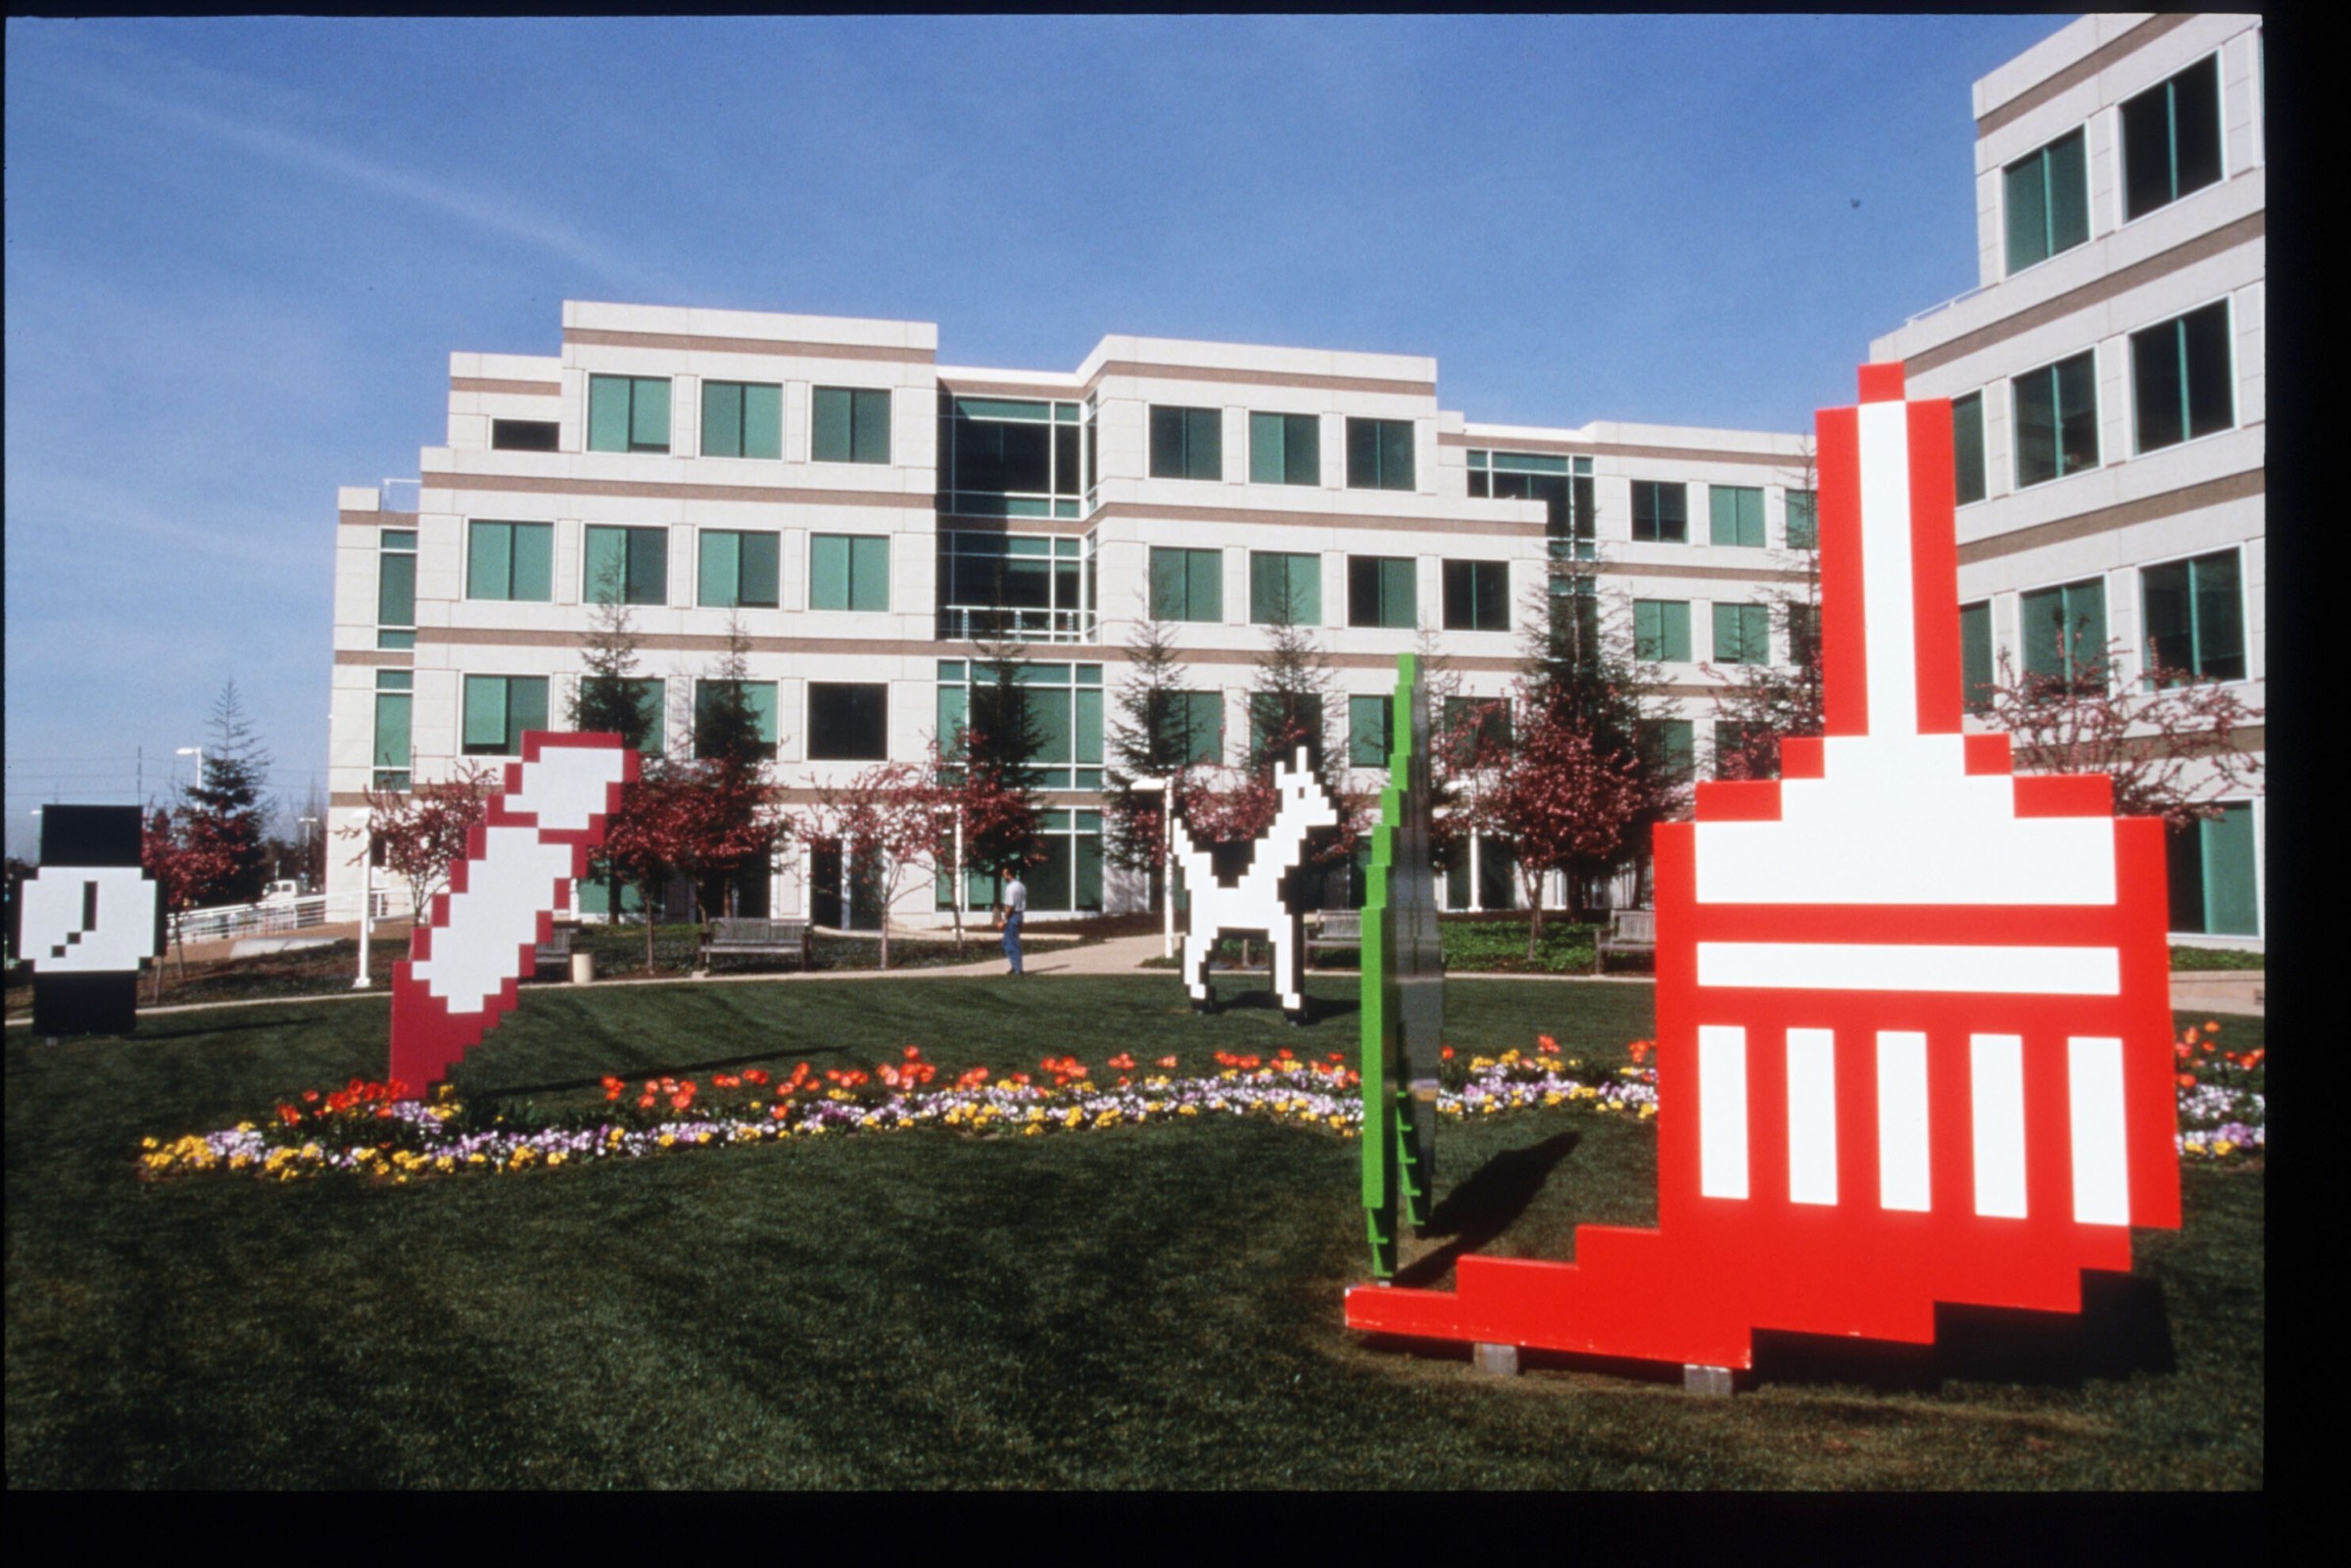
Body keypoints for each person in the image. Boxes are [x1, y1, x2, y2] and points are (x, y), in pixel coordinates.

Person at [997, 865, 1027, 976]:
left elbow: (1009, 906)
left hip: (1013, 916)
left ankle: (1017, 969)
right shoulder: (1021, 886)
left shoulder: (1010, 888)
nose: (1003, 876)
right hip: (1020, 915)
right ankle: (1015, 966)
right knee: (1012, 941)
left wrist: (1003, 920)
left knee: (1010, 942)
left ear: (1009, 874)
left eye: (1004, 874)